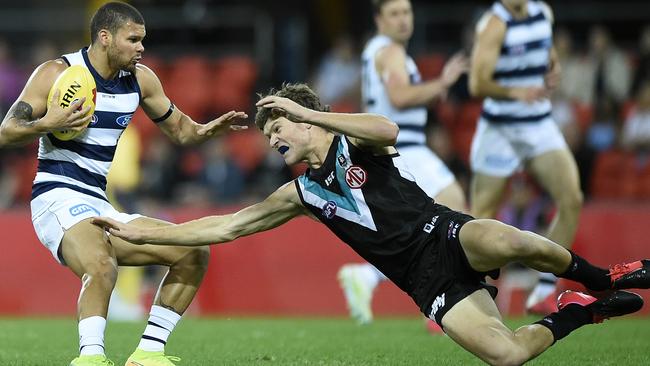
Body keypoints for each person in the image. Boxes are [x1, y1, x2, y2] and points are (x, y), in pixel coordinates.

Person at [93, 83, 650, 365]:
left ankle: (604, 277)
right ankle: (581, 312)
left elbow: (387, 129)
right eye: (268, 135)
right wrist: (150, 233)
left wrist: (308, 112)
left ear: (302, 119)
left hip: (444, 233)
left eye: (276, 129)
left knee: (506, 238)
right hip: (424, 282)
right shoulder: (301, 192)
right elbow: (226, 227)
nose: (272, 140)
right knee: (507, 355)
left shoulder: (345, 138)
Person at [0, 2, 247, 366]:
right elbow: (7, 132)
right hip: (56, 195)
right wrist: (46, 123)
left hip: (99, 203)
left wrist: (206, 132)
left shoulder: (142, 80)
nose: (141, 47)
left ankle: (148, 352)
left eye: (142, 40)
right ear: (105, 37)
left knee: (193, 253)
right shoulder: (57, 72)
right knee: (101, 264)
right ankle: (91, 358)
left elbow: (181, 131)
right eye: (133, 39)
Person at [338, 0, 469, 327]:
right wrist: (443, 83)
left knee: (425, 228)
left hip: (396, 148)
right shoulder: (391, 52)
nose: (402, 20)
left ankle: (369, 277)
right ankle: (448, 308)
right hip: (406, 146)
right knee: (456, 213)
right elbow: (400, 97)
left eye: (406, 12)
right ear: (379, 19)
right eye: (394, 14)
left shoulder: (374, 52)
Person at [468, 0, 583, 314]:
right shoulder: (494, 23)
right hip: (500, 130)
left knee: (571, 198)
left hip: (537, 124)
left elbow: (547, 51)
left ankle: (544, 291)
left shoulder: (543, 12)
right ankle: (460, 297)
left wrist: (554, 66)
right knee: (480, 216)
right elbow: (477, 83)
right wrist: (516, 92)